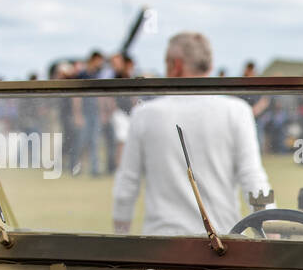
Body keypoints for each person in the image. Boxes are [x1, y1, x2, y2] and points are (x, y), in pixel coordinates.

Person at [111, 32, 271, 236]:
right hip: (223, 242)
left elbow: (126, 186)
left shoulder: (144, 115)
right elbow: (253, 179)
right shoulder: (237, 111)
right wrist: (270, 229)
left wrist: (120, 235)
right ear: (209, 66)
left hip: (161, 242)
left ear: (175, 65)